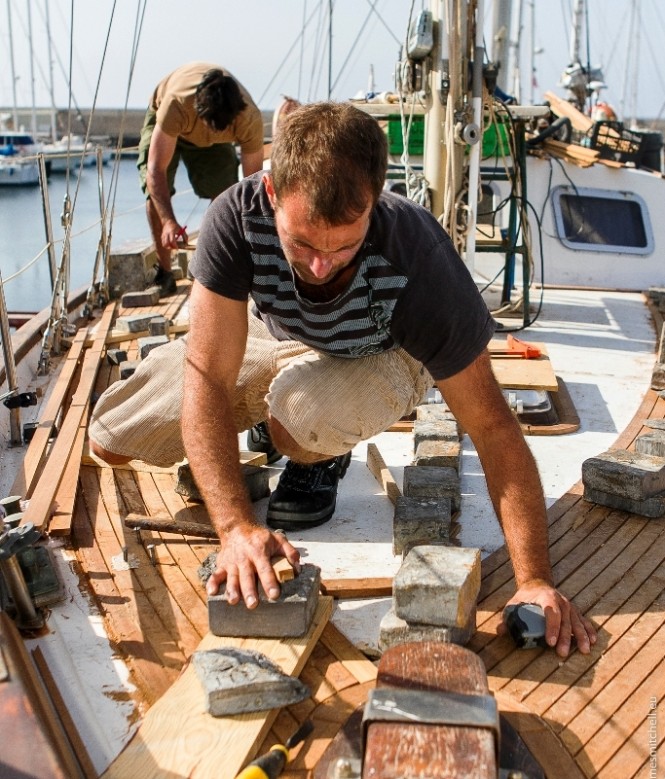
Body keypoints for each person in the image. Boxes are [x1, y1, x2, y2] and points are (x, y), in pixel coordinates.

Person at [90, 101, 596, 658]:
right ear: (272, 193)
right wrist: (234, 528)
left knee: (299, 418)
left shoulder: (418, 257)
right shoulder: (234, 217)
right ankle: (273, 407)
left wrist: (534, 580)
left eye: (345, 247)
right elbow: (208, 378)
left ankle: (307, 442)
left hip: (382, 354)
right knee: (109, 438)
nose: (321, 267)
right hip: (275, 337)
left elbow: (494, 428)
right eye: (302, 244)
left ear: (374, 207)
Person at [138, 62, 264, 296]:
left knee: (226, 197)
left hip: (212, 139)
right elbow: (155, 170)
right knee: (153, 196)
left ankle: (218, 269)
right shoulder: (176, 104)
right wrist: (168, 221)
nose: (215, 132)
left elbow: (252, 187)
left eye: (222, 128)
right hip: (167, 124)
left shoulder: (249, 118)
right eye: (212, 126)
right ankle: (164, 274)